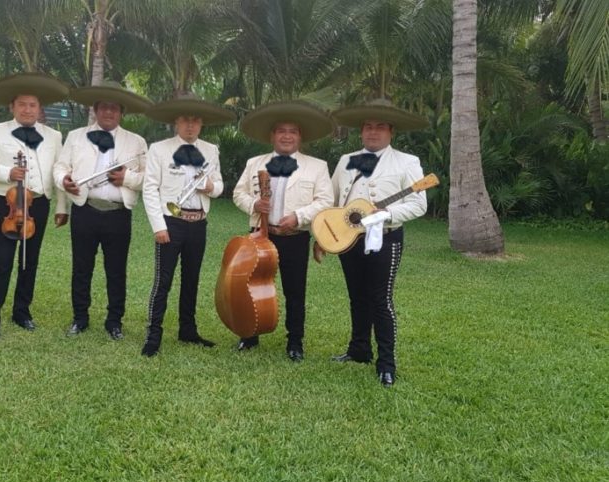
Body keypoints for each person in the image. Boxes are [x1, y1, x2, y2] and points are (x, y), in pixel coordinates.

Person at [322, 99, 429, 386]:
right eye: (368, 126)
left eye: (380, 126)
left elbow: (419, 204)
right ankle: (359, 350)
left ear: (391, 131)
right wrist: (323, 234)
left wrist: (387, 213)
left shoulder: (407, 162)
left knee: (381, 300)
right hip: (348, 237)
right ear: (361, 131)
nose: (373, 131)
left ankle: (386, 363)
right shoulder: (347, 161)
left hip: (385, 237)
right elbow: (332, 200)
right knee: (357, 297)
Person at [232, 101, 335, 361]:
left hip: (293, 237)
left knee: (294, 290)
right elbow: (238, 193)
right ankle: (250, 334)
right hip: (260, 235)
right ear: (272, 136)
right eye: (281, 130)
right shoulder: (254, 162)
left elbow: (325, 200)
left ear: (300, 136)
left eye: (292, 131)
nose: (286, 136)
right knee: (251, 285)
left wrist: (299, 216)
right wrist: (254, 203)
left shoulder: (317, 166)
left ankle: (295, 341)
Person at [0, 73, 70, 342]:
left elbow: (57, 173)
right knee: (2, 262)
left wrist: (62, 207)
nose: (28, 110)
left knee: (30, 260)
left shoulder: (53, 136)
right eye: (22, 105)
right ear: (12, 107)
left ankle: (21, 312)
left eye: (33, 105)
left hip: (39, 203)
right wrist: (7, 172)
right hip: (9, 203)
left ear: (39, 109)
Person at [53, 82, 151, 340]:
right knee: (81, 267)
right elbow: (60, 167)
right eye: (104, 107)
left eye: (115, 108)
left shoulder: (136, 142)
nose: (109, 112)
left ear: (121, 113)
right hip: (85, 209)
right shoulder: (75, 136)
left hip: (118, 214)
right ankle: (80, 318)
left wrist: (127, 179)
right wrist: (64, 180)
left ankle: (114, 321)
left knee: (117, 270)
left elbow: (150, 179)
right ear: (96, 110)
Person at [140, 96, 236, 357]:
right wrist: (159, 226)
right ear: (176, 122)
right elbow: (149, 188)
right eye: (185, 120)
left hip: (198, 222)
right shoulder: (159, 149)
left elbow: (219, 186)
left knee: (191, 279)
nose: (190, 126)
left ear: (201, 123)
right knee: (163, 280)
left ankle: (188, 330)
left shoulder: (211, 149)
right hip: (170, 221)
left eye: (195, 121)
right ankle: (154, 333)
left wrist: (210, 187)